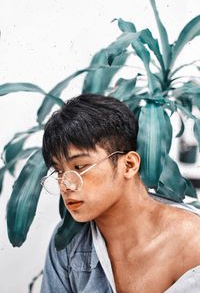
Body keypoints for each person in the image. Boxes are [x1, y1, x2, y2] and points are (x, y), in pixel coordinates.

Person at [40, 94, 200, 293]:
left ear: (129, 165)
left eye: (79, 166)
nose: (66, 184)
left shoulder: (193, 241)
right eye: (60, 171)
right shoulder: (69, 242)